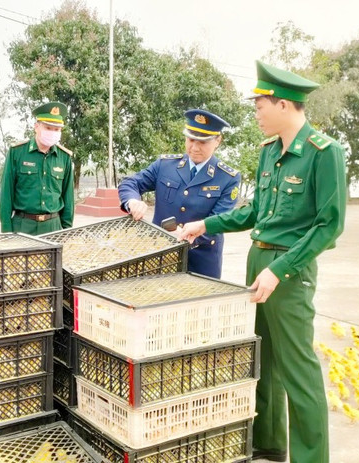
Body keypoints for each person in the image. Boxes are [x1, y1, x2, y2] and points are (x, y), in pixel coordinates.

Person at [179, 61, 346, 463]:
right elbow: (256, 211)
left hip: (289, 272)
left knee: (299, 370)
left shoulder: (324, 153)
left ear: (285, 104)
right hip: (259, 264)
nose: (255, 112)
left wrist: (280, 269)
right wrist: (204, 223)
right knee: (263, 360)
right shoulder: (270, 152)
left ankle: (311, 457)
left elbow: (329, 226)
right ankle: (269, 443)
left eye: (260, 104)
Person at [118, 109, 240, 278]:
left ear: (218, 140)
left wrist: (187, 235)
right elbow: (131, 183)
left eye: (203, 142)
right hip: (159, 258)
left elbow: (219, 222)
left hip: (201, 263)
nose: (195, 147)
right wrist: (132, 200)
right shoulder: (165, 165)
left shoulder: (227, 178)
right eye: (191, 139)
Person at [0, 101, 74, 235]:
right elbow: (6, 193)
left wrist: (66, 231)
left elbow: (68, 198)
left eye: (56, 129)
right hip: (23, 226)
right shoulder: (17, 152)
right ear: (36, 127)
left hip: (53, 227)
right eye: (48, 128)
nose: (52, 132)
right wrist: (6, 231)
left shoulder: (64, 157)